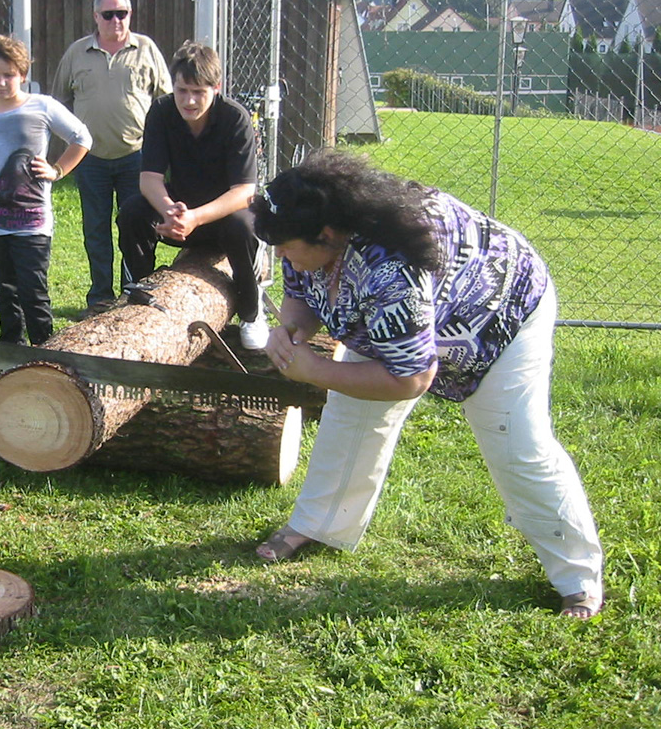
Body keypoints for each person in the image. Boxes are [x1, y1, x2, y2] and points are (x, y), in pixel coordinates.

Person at [252, 149, 603, 618]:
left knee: (518, 445)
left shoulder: (391, 272)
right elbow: (301, 289)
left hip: (500, 319)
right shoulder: (309, 227)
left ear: (328, 235)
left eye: (284, 245)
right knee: (351, 414)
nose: (279, 255)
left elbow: (410, 378)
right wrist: (295, 330)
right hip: (395, 322)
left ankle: (578, 578)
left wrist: (313, 370)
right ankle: (318, 525)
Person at [116, 41, 267, 348]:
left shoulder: (235, 119)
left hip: (222, 216)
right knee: (132, 212)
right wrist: (169, 210)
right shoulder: (160, 111)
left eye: (199, 91)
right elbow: (149, 179)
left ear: (216, 87)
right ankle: (137, 294)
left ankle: (252, 312)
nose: (189, 100)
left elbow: (243, 191)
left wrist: (195, 218)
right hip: (180, 210)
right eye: (182, 90)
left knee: (243, 225)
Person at [0, 35, 91, 345]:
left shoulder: (41, 106)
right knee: (5, 291)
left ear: (22, 74)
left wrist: (58, 169)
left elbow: (82, 138)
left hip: (31, 220)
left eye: (8, 75)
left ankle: (45, 351)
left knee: (33, 290)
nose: (1, 82)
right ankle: (11, 354)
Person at [51, 0, 171, 318]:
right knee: (95, 229)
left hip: (137, 157)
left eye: (123, 14)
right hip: (91, 160)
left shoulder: (146, 49)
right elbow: (59, 102)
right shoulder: (77, 53)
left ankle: (133, 292)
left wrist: (162, 150)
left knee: (133, 226)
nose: (116, 20)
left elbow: (167, 101)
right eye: (109, 14)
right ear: (96, 17)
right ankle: (100, 297)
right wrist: (72, 144)